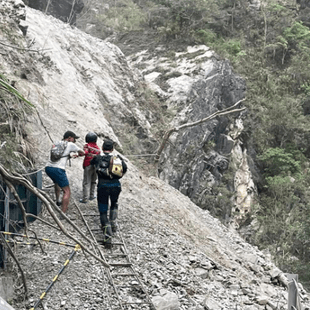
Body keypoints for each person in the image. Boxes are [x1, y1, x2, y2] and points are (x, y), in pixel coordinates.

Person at [90, 139, 127, 248]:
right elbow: (124, 169)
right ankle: (113, 224)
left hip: (103, 186)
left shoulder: (98, 158)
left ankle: (108, 238)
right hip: (116, 186)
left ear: (102, 148)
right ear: (112, 149)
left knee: (103, 211)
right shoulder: (117, 158)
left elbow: (91, 164)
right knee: (114, 203)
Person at [45, 131, 84, 214]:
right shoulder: (70, 144)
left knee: (57, 182)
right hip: (58, 169)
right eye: (74, 139)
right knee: (67, 191)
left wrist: (69, 156)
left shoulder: (56, 143)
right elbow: (82, 152)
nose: (74, 141)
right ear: (69, 138)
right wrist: (78, 154)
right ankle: (63, 213)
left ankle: (58, 200)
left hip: (48, 168)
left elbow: (58, 156)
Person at [80, 132, 101, 203]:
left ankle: (85, 198)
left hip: (88, 165)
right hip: (95, 166)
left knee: (86, 181)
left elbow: (84, 152)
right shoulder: (97, 148)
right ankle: (92, 195)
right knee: (93, 181)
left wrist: (79, 154)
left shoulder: (87, 146)